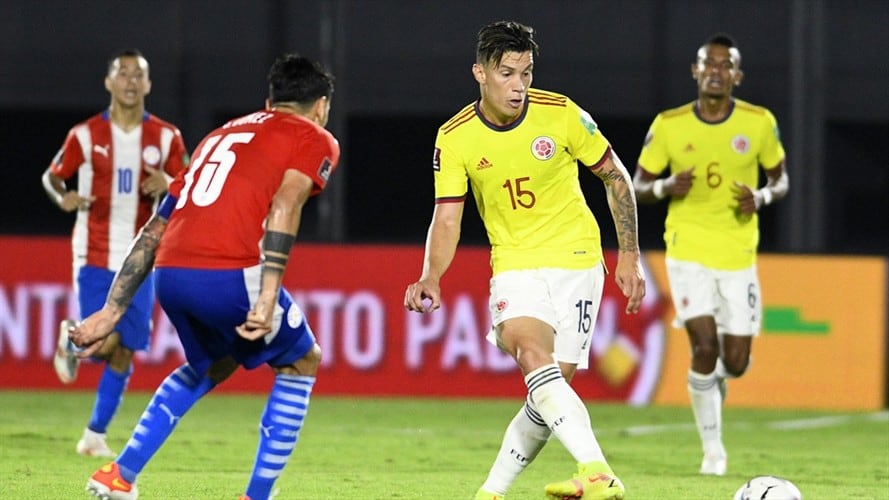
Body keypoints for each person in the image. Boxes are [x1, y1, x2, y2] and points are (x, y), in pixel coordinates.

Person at [69, 53, 340, 500]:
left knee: (212, 363)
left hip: (171, 273)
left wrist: (110, 310)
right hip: (228, 269)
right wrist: (269, 293)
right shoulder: (314, 136)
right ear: (321, 105)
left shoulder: (220, 135)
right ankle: (256, 496)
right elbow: (286, 206)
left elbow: (155, 227)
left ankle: (119, 474)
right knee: (301, 360)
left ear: (269, 100)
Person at [404, 20, 645, 500]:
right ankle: (597, 471)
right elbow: (447, 218)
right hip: (515, 264)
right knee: (530, 353)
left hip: (578, 260)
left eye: (527, 74)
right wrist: (431, 274)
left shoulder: (562, 114)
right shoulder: (455, 137)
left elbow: (616, 178)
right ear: (480, 73)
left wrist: (630, 256)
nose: (519, 87)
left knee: (547, 395)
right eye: (507, 74)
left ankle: (490, 493)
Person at [632, 33, 789, 476]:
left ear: (736, 76)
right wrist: (664, 186)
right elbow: (638, 185)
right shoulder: (669, 124)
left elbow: (781, 181)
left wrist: (759, 197)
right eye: (709, 63)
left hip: (738, 254)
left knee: (734, 362)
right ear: (695, 71)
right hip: (687, 249)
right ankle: (713, 451)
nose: (716, 71)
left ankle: (716, 378)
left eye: (726, 65)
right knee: (703, 345)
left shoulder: (759, 123)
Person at [41, 48, 189, 458]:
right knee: (103, 341)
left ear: (148, 84)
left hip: (142, 256)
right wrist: (64, 197)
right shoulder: (85, 135)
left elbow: (193, 179)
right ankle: (72, 340)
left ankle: (94, 437)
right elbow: (52, 176)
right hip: (94, 251)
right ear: (108, 82)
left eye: (137, 75)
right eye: (122, 74)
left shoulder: (166, 136)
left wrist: (171, 179)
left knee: (126, 348)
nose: (129, 81)